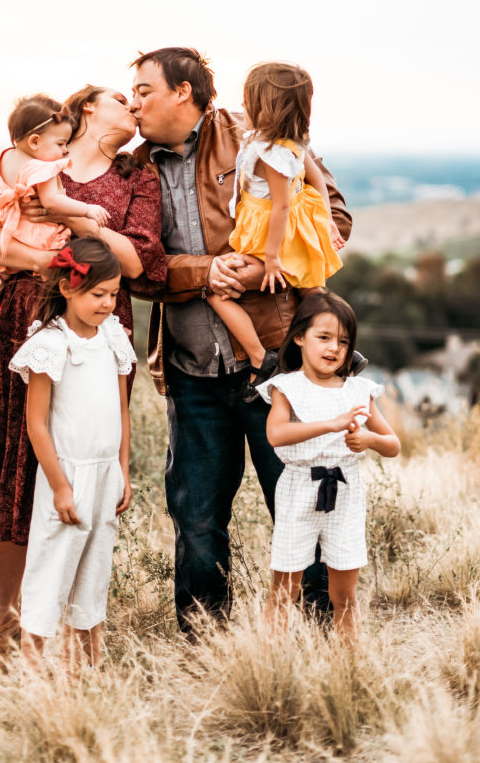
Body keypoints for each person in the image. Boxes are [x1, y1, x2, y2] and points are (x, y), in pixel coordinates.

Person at [130, 47, 352, 632]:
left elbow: (333, 220)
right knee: (197, 516)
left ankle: (317, 636)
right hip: (191, 369)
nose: (134, 104)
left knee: (301, 504)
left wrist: (254, 268)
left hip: (278, 361)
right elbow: (135, 268)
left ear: (184, 92)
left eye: (144, 91)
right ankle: (206, 643)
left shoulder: (256, 137)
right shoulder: (132, 169)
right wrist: (204, 271)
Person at [0, 85, 166, 669]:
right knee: (10, 471)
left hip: (95, 330)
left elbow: (139, 264)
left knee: (78, 470)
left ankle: (72, 632)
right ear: (86, 111)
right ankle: (3, 631)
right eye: (121, 97)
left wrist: (79, 232)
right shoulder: (31, 161)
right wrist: (53, 259)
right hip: (16, 326)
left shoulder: (135, 180)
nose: (133, 106)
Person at [9, 238, 135, 670]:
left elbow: (122, 408)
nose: (107, 303)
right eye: (97, 294)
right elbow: (36, 423)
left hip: (106, 474)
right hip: (68, 476)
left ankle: (88, 664)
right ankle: (31, 666)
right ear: (67, 288)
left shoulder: (114, 335)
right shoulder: (50, 344)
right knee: (52, 566)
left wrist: (124, 469)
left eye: (113, 294)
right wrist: (61, 486)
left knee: (96, 566)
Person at [258, 290, 400, 639]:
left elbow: (393, 445)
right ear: (299, 337)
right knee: (284, 588)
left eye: (343, 341)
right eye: (324, 337)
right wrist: (332, 425)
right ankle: (267, 667)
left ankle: (348, 667)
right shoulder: (286, 387)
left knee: (344, 594)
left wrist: (369, 440)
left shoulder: (358, 390)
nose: (334, 348)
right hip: (298, 489)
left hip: (346, 492)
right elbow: (276, 434)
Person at [207, 61, 345, 401]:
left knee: (217, 292)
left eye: (247, 102)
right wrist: (325, 222)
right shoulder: (294, 143)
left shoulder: (270, 154)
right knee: (313, 293)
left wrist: (270, 260)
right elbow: (316, 180)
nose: (242, 108)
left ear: (263, 108)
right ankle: (342, 354)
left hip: (271, 234)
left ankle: (261, 359)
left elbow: (280, 207)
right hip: (300, 229)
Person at [0, 93, 109, 266]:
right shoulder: (42, 169)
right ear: (34, 141)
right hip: (37, 237)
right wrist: (87, 210)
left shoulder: (2, 157)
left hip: (10, 233)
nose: (65, 150)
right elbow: (52, 202)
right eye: (60, 144)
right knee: (69, 258)